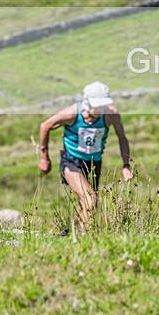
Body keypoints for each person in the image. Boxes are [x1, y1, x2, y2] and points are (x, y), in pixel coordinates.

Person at [38, 81, 132, 231]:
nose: (100, 109)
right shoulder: (72, 114)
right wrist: (44, 157)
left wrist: (126, 165)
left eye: (103, 105)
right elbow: (45, 126)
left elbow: (122, 138)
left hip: (94, 163)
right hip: (71, 161)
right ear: (87, 102)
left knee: (88, 203)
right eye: (97, 106)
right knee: (90, 199)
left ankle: (78, 234)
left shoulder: (111, 114)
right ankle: (82, 235)